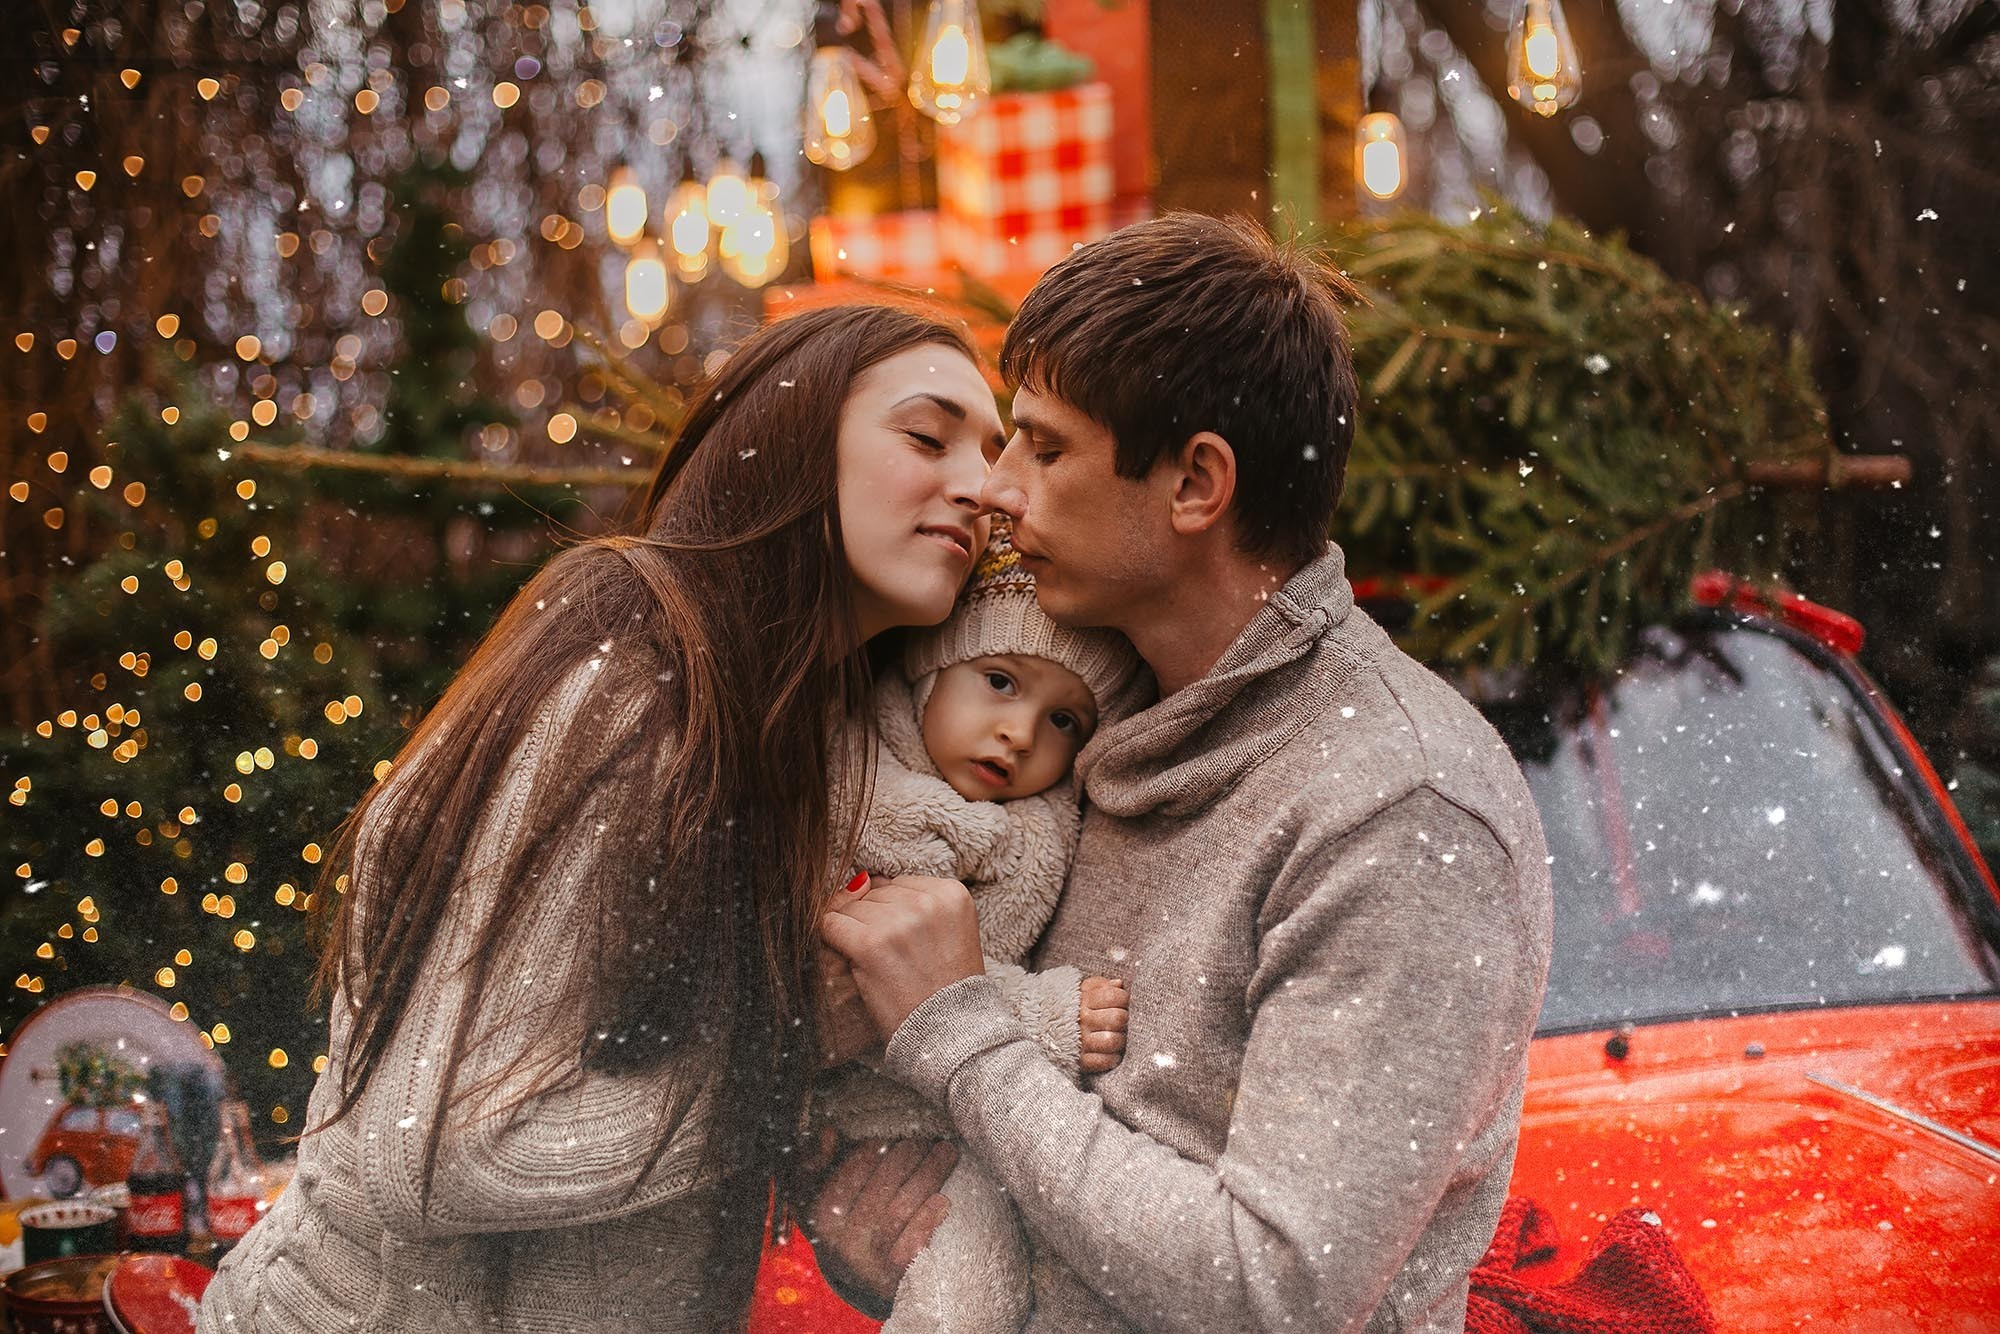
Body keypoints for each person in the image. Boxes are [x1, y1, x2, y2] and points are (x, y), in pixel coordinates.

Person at [196, 304, 1000, 1333]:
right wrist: (795, 1043)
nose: (979, 485)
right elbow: (434, 1147)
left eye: (992, 450)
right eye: (927, 437)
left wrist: (830, 1186)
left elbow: (641, 1060)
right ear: (790, 445)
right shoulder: (630, 691)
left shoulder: (789, 717)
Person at [819, 213, 1556, 1331]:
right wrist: (895, 1241)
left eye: (1046, 447)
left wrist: (959, 1033)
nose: (998, 492)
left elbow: (1272, 1288)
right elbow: (1051, 1187)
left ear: (1196, 483)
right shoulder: (1083, 724)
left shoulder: (1398, 809)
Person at [816, 517, 1139, 1330]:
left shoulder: (1043, 825)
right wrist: (1040, 1017)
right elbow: (874, 962)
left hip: (964, 1130)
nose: (1022, 732)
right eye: (999, 680)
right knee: (969, 1285)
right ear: (930, 672)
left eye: (1066, 721)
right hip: (846, 1114)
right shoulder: (853, 787)